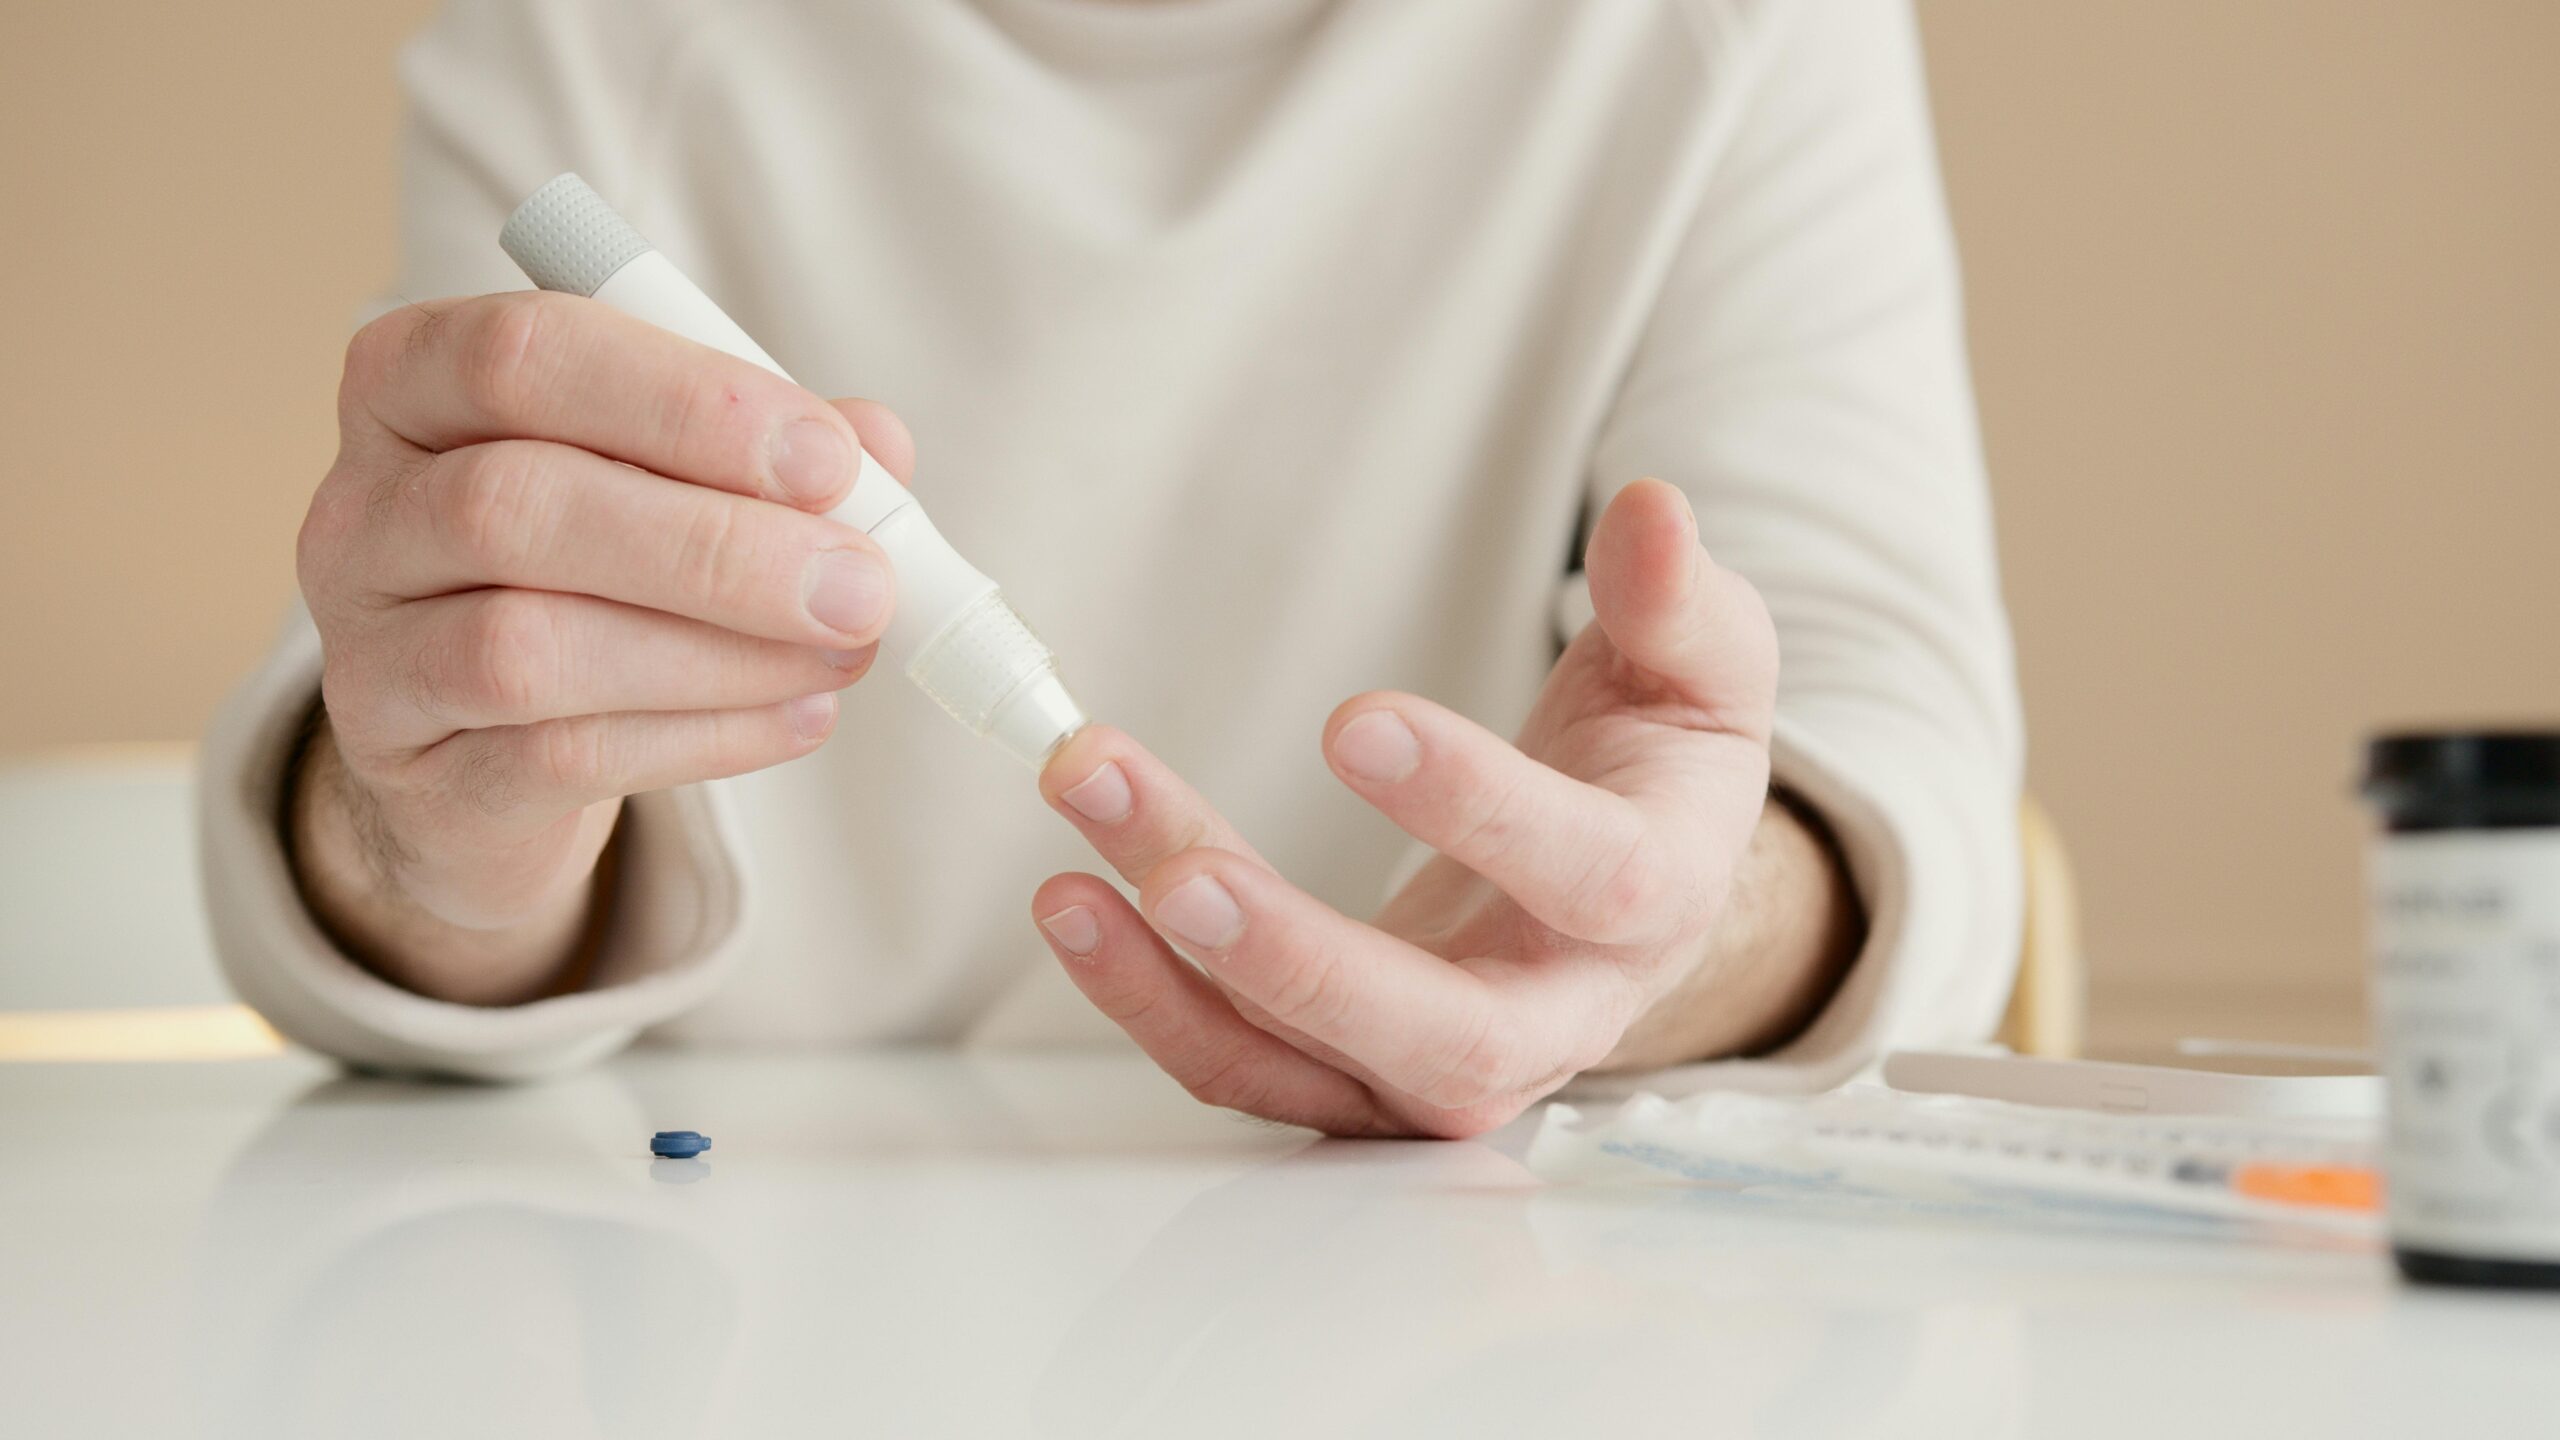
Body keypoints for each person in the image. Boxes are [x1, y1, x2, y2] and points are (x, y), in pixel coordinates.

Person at [200, 0, 2021, 1138]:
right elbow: (398, 747)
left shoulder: (1723, 30)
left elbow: (1886, 729)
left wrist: (1660, 925)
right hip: (702, 1277)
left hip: (1446, 1293)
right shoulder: (592, 35)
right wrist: (448, 830)